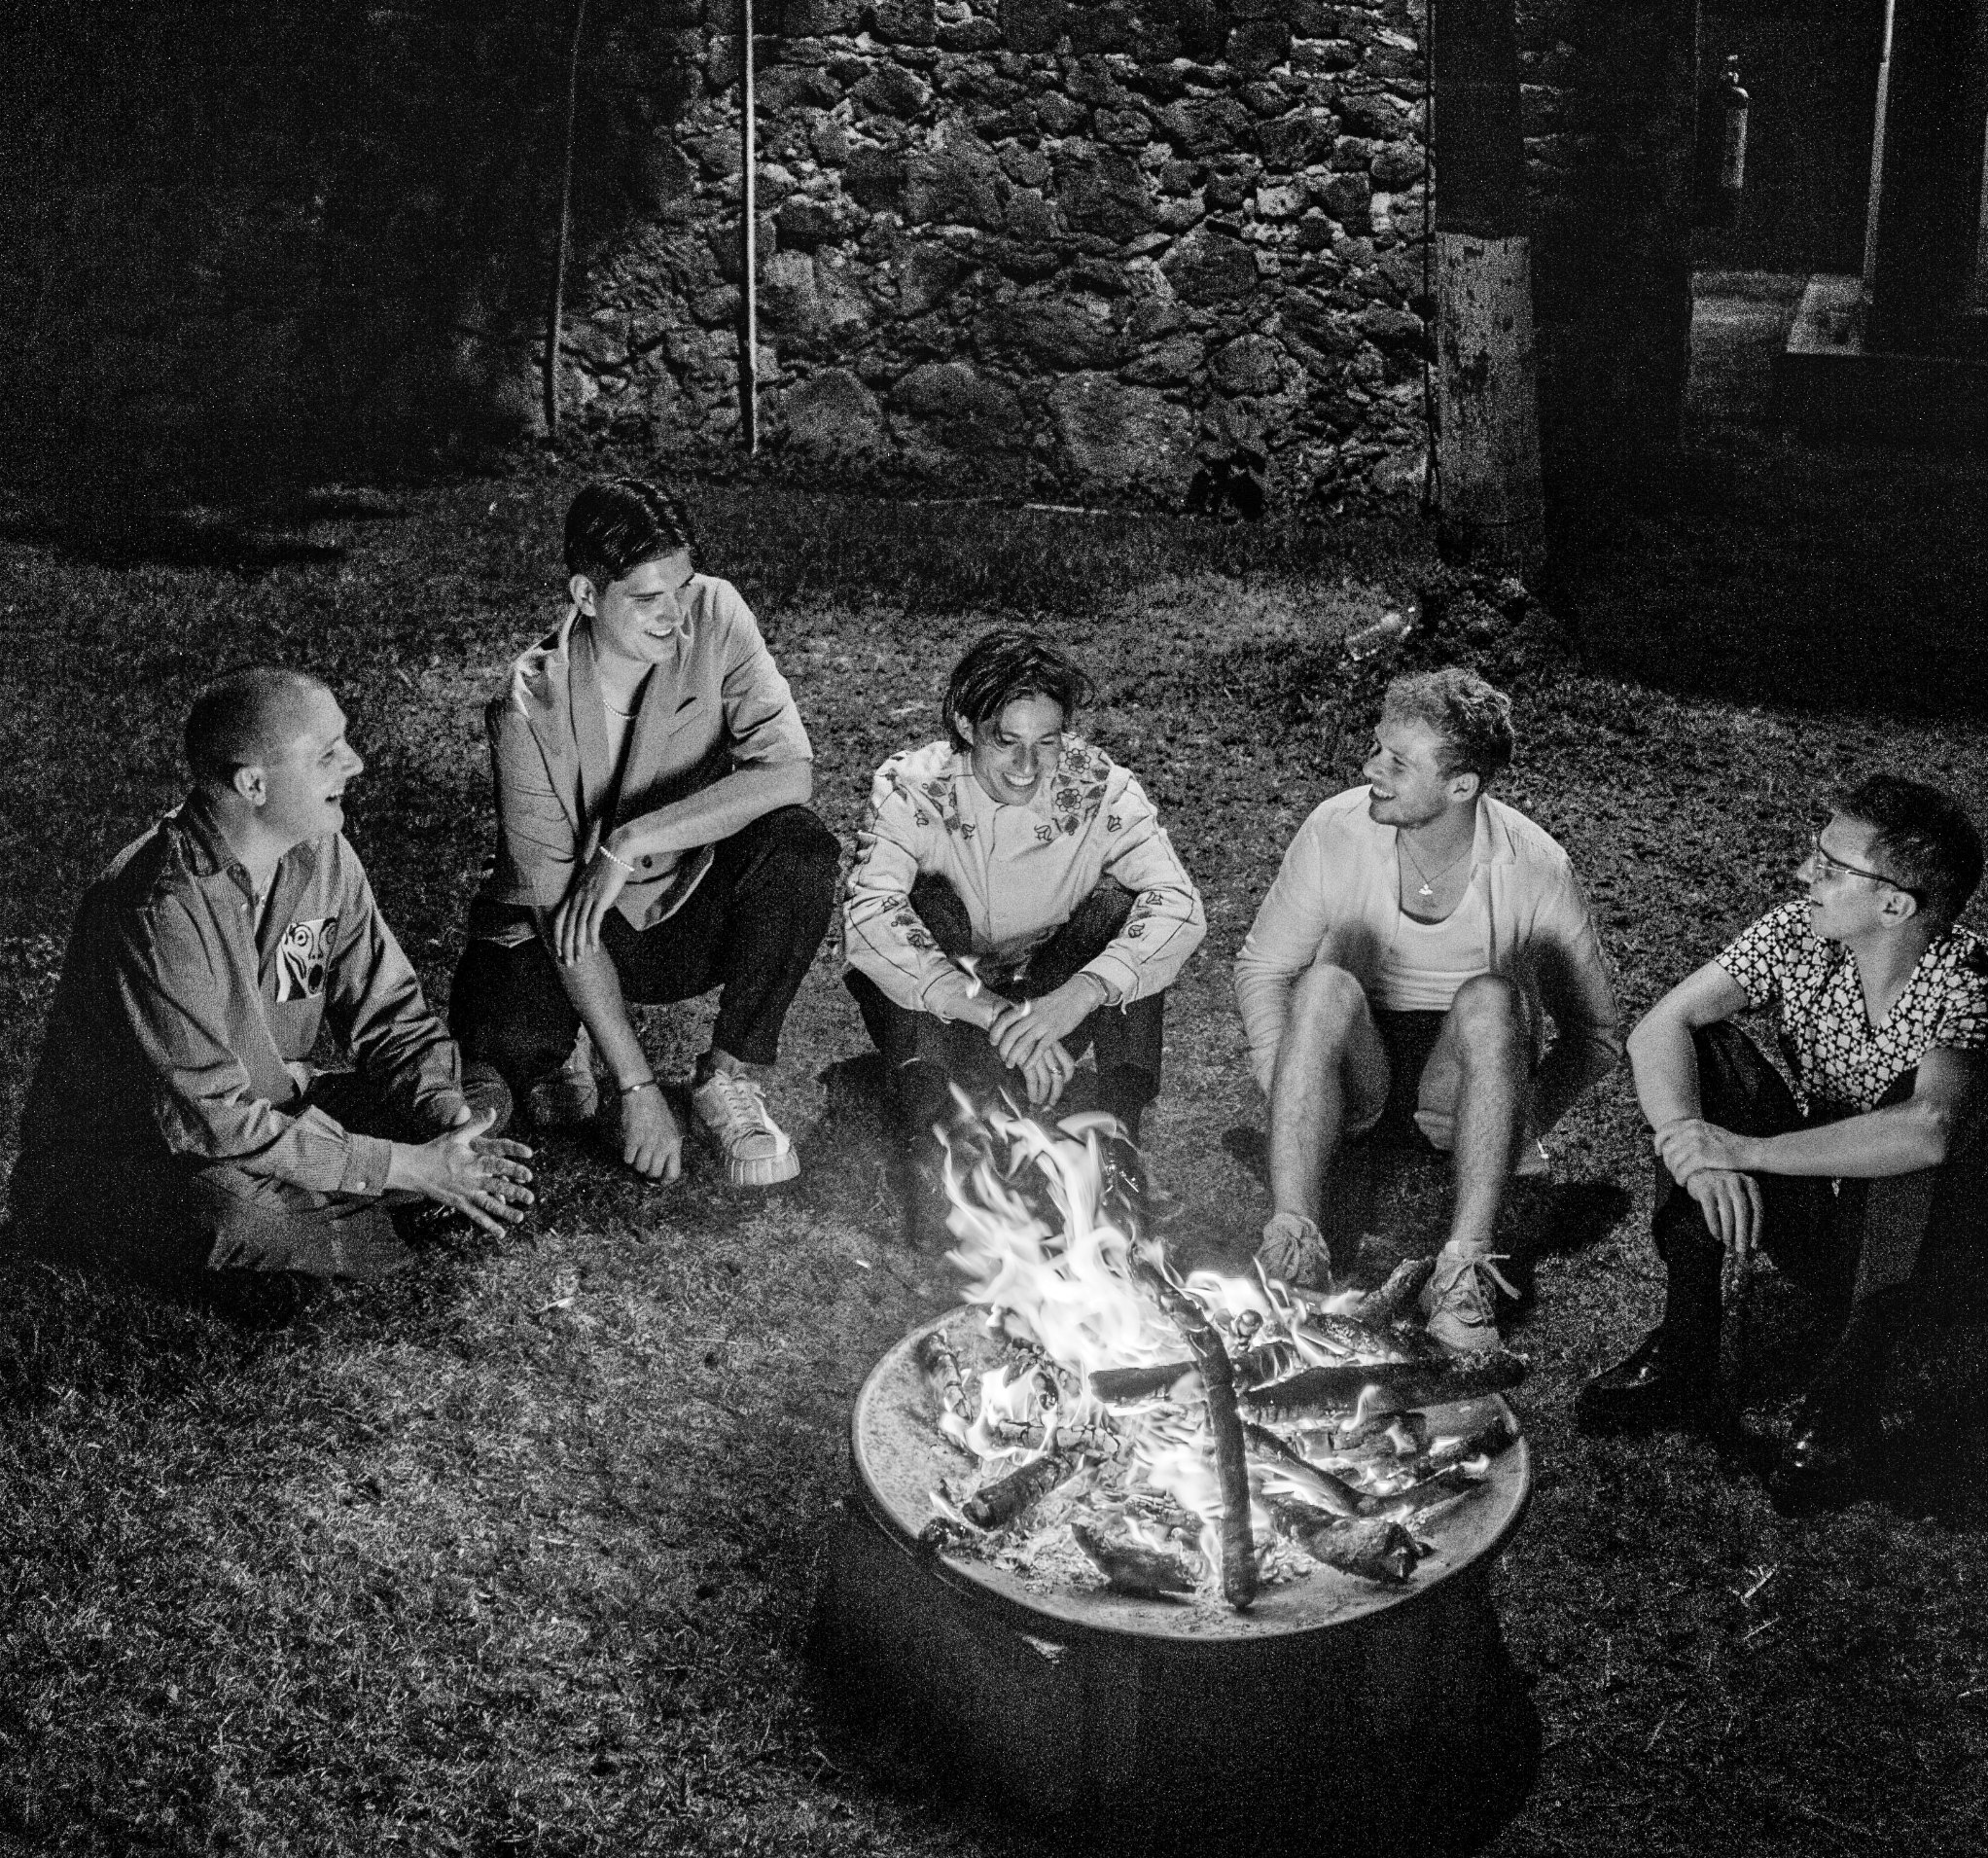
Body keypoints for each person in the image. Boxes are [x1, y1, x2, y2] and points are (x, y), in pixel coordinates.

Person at [5, 668, 534, 1283]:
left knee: (481, 1093)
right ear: (253, 784)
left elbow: (393, 1018)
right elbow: (212, 1119)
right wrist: (410, 1167)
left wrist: (450, 1121)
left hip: (275, 1112)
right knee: (244, 1218)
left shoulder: (322, 851)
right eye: (327, 754)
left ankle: (388, 1198)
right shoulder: (157, 908)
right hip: (156, 1154)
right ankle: (392, 1212)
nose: (356, 764)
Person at [1577, 775, 1988, 1494]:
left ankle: (1847, 1402)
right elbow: (1661, 1026)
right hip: (1821, 1202)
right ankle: (1684, 1348)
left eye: (1831, 867)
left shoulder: (1971, 985)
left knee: (1906, 1119)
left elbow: (1930, 1131)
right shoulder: (1799, 933)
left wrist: (1744, 1151)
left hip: (1937, 1246)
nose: (1804, 874)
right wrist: (1694, 1148)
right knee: (1703, 1052)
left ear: (1894, 904)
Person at [449, 478, 837, 1187]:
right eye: (648, 598)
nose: (676, 617)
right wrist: (636, 1087)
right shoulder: (525, 710)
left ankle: (726, 1077)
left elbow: (789, 773)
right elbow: (557, 909)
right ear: (586, 595)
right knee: (501, 1050)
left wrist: (627, 842)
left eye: (681, 588)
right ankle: (566, 1044)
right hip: (570, 925)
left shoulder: (717, 612)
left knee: (798, 845)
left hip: (683, 907)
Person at [1234, 667, 1620, 1350]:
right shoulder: (1335, 829)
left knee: (1491, 999)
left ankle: (1462, 1271)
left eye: (1398, 762)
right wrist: (1282, 1077)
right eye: (1377, 749)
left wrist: (1516, 1120)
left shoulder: (1534, 866)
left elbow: (1595, 1035)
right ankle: (1295, 1245)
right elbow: (1264, 968)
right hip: (1361, 1069)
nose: (1370, 769)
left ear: (1460, 786)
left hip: (1461, 1075)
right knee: (1321, 986)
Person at [843, 628, 1206, 1180]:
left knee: (1125, 908)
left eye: (1047, 741)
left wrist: (1079, 995)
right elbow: (871, 912)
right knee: (926, 901)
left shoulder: (1099, 786)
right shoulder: (914, 788)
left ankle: (1118, 1141)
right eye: (1006, 739)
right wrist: (997, 1015)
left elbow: (1177, 902)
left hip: (1050, 1001)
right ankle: (935, 1137)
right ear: (967, 726)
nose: (1027, 764)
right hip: (944, 1013)